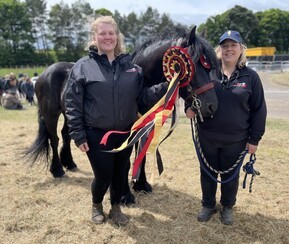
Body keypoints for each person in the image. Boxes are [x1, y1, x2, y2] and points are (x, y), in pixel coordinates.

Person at [65, 16, 168, 226]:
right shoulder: (83, 67)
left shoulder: (132, 69)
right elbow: (72, 103)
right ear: (94, 37)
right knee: (103, 176)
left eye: (111, 33)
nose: (107, 37)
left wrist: (167, 85)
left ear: (117, 37)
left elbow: (142, 98)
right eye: (102, 33)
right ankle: (96, 205)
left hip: (125, 134)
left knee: (121, 174)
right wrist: (78, 133)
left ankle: (115, 207)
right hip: (96, 135)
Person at [184, 30, 267, 225]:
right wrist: (190, 107)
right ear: (219, 49)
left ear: (241, 49)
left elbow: (259, 109)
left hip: (236, 139)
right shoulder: (209, 73)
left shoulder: (251, 77)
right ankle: (208, 205)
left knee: (231, 176)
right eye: (225, 46)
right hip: (207, 135)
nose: (229, 49)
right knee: (207, 172)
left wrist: (254, 140)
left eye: (233, 45)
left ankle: (227, 206)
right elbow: (193, 93)